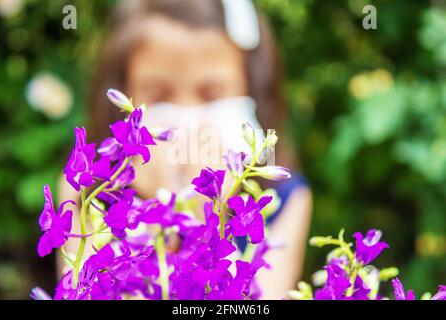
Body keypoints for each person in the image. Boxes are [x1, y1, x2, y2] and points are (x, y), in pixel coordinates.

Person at [59, 0, 312, 300]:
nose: (189, 118)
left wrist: (208, 210)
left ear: (254, 90)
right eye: (159, 96)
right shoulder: (84, 195)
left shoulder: (285, 200)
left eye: (212, 95)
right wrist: (155, 211)